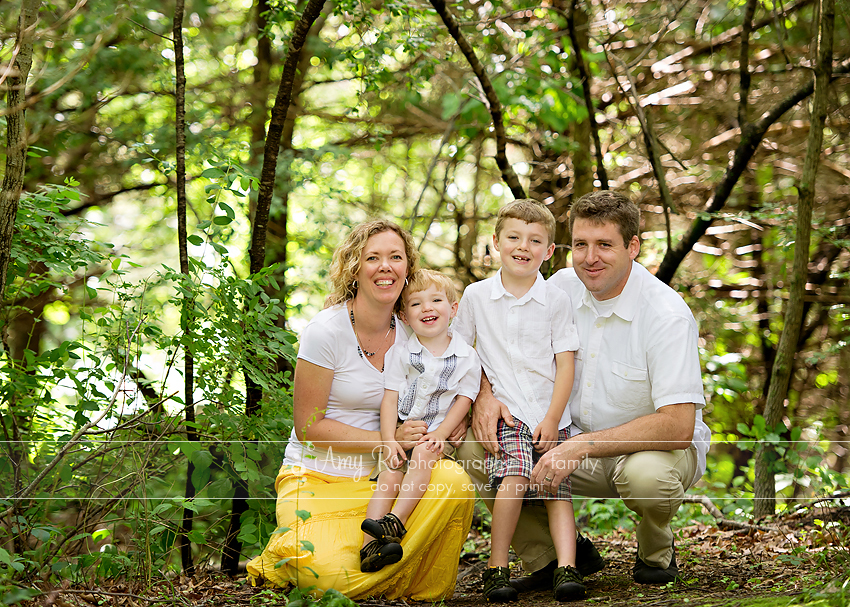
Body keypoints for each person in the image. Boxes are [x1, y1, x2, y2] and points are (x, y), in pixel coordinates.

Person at [456, 190, 710, 590]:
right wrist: (486, 393)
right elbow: (499, 348)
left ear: (633, 247)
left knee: (648, 480)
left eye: (605, 245)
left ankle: (655, 549)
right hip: (561, 444)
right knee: (474, 444)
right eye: (581, 245)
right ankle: (555, 555)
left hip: (645, 452)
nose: (590, 258)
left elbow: (677, 426)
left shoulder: (666, 315)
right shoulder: (558, 288)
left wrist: (581, 446)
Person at [246, 221, 474, 601]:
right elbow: (308, 427)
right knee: (326, 577)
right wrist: (390, 439)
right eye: (373, 258)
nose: (385, 266)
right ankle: (331, 561)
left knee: (454, 483)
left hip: (384, 484)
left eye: (395, 257)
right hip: (316, 478)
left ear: (407, 268)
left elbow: (463, 359)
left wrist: (472, 406)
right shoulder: (326, 332)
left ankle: (385, 554)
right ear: (355, 267)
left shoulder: (413, 328)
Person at [453, 199, 585, 603]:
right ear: (495, 242)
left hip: (549, 413)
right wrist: (480, 397)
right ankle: (497, 567)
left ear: (548, 251)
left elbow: (566, 365)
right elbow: (460, 353)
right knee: (511, 480)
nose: (522, 246)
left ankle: (567, 568)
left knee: (554, 488)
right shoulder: (476, 297)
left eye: (535, 240)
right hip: (509, 415)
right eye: (513, 237)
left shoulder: (556, 301)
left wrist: (553, 417)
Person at [360, 269, 481, 572]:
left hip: (436, 436)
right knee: (388, 478)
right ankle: (369, 547)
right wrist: (389, 440)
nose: (427, 308)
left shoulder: (466, 355)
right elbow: (390, 399)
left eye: (436, 300)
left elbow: (464, 399)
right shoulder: (400, 353)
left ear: (453, 309)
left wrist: (441, 432)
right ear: (403, 315)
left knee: (426, 452)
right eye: (416, 304)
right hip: (403, 433)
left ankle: (395, 523)